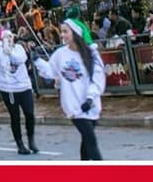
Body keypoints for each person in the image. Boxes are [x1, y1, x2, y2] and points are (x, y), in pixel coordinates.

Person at [34, 21, 106, 160]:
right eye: (62, 31)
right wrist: (37, 60)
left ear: (76, 33)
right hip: (74, 106)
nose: (62, 35)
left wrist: (90, 98)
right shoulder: (61, 54)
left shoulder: (91, 53)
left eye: (66, 31)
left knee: (86, 143)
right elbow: (51, 71)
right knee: (91, 141)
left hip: (90, 105)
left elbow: (97, 78)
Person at [0, 24, 37, 154]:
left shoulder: (19, 48)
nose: (9, 39)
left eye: (10, 37)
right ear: (1, 40)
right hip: (9, 89)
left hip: (23, 87)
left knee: (29, 114)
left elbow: (21, 59)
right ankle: (20, 144)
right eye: (6, 37)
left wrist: (10, 52)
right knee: (15, 116)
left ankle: (31, 140)